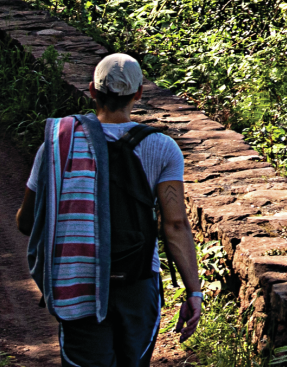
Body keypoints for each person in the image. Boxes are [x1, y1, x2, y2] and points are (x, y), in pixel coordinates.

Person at [17, 53, 204, 366]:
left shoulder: (58, 143)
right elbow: (174, 226)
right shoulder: (162, 147)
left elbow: (27, 222)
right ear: (139, 94)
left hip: (79, 284)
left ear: (92, 90)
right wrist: (193, 292)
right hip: (137, 283)